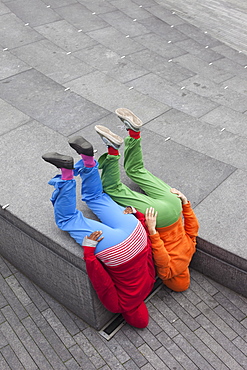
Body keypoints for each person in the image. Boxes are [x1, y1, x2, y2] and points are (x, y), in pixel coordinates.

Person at [42, 137, 156, 329]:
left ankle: (87, 159)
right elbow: (102, 283)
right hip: (116, 250)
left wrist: (140, 218)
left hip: (136, 233)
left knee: (97, 197)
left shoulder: (150, 284)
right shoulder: (119, 306)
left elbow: (150, 254)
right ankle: (66, 173)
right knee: (68, 220)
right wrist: (89, 253)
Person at [95, 108, 199, 292]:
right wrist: (152, 230)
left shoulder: (190, 253)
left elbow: (192, 229)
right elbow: (160, 256)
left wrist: (185, 203)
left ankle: (133, 132)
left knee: (137, 170)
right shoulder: (168, 272)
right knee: (113, 189)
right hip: (161, 218)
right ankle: (112, 150)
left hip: (175, 206)